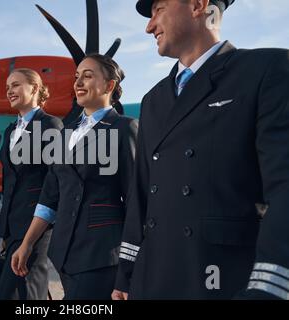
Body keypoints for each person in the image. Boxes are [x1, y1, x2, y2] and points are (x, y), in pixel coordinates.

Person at [113, 0, 289, 300]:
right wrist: (126, 276)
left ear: (197, 6)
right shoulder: (153, 100)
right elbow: (140, 195)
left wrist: (268, 288)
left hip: (222, 281)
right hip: (151, 278)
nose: (149, 26)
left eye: (158, 10)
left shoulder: (267, 70)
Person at [11, 54, 138, 300]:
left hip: (101, 255)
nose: (78, 82)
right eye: (77, 76)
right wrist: (27, 244)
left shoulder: (124, 128)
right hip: (65, 253)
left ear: (109, 85)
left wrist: (129, 269)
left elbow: (136, 201)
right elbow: (50, 197)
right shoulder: (65, 132)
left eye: (88, 76)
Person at [0, 68, 63, 300]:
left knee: (22, 291)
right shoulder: (10, 130)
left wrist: (29, 240)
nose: (9, 91)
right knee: (28, 292)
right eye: (7, 88)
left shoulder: (50, 126)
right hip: (12, 228)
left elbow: (54, 185)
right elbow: (9, 181)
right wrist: (4, 229)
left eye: (15, 85)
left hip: (36, 227)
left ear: (34, 88)